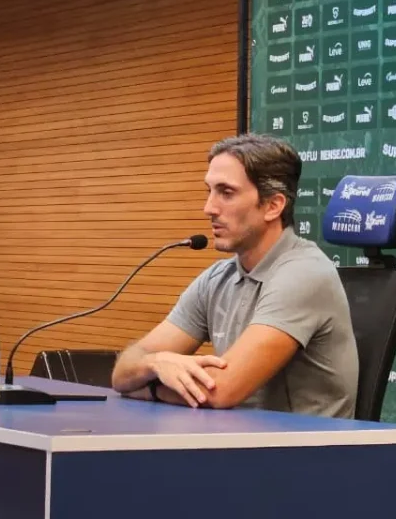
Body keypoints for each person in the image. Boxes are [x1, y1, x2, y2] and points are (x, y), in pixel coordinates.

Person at [111, 133, 359, 418]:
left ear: (273, 206)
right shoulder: (219, 277)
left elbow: (219, 390)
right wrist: (156, 363)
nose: (209, 208)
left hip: (304, 455)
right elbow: (123, 371)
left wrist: (148, 389)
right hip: (239, 445)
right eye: (210, 191)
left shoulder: (304, 273)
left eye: (226, 193)